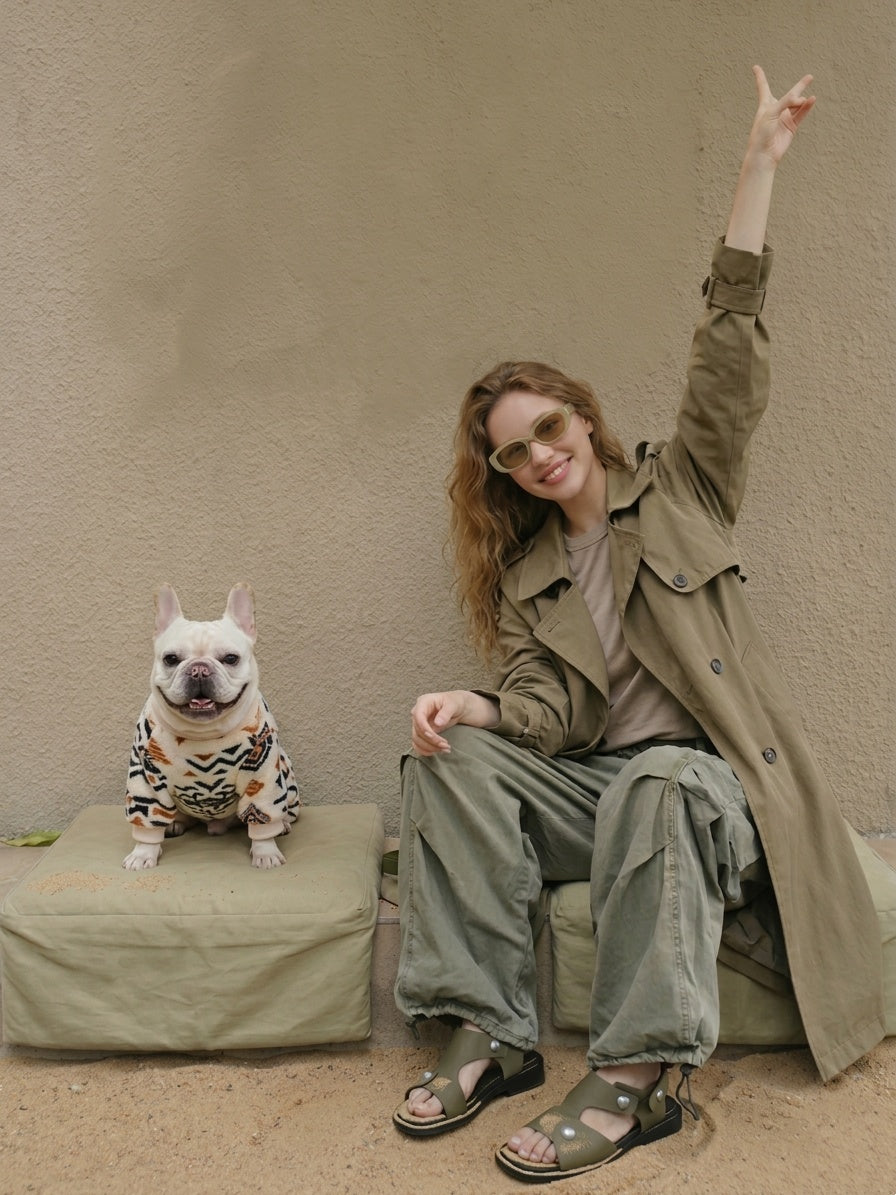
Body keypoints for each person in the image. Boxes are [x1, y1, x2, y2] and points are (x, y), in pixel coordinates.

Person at [391, 66, 885, 1183]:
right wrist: (469, 705)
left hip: (705, 790)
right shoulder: (525, 575)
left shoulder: (681, 492)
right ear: (504, 475)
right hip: (600, 793)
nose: (535, 454)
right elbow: (548, 720)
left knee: (658, 781)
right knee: (446, 761)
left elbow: (726, 352)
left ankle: (634, 1079)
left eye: (545, 425)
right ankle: (489, 1033)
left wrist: (756, 169)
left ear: (581, 412)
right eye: (511, 451)